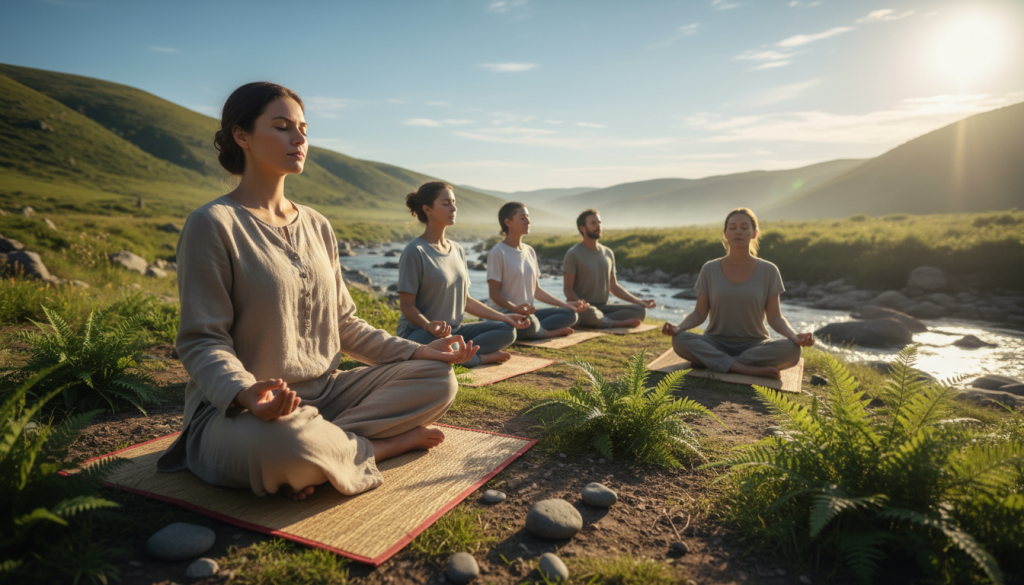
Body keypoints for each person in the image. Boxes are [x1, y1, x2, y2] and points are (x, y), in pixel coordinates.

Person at [158, 82, 478, 501]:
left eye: (303, 128)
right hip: (240, 414)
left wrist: (419, 352)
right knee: (287, 443)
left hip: (327, 397)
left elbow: (345, 323)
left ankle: (324, 450)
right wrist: (244, 391)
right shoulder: (213, 224)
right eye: (281, 126)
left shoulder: (317, 225)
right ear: (242, 136)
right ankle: (377, 447)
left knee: (439, 379)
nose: (299, 138)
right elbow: (202, 340)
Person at [661, 208, 813, 379]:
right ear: (725, 234)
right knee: (680, 340)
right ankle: (745, 368)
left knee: (792, 350)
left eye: (744, 227)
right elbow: (699, 313)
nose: (738, 231)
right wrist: (678, 328)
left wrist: (794, 336)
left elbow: (775, 317)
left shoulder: (769, 271)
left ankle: (713, 362)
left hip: (755, 344)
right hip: (714, 342)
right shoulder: (709, 269)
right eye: (732, 227)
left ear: (754, 233)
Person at [397, 182, 530, 367]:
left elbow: (465, 300)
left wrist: (506, 317)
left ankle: (457, 355)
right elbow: (407, 305)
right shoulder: (415, 251)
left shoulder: (457, 249)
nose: (453, 208)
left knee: (507, 330)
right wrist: (428, 325)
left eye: (454, 202)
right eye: (446, 203)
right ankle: (478, 358)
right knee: (442, 344)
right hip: (418, 333)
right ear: (427, 209)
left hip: (455, 331)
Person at [487, 202, 588, 339]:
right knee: (528, 321)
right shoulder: (498, 252)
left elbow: (536, 290)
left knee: (570, 315)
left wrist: (565, 304)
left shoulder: (530, 251)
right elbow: (494, 293)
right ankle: (545, 333)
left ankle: (531, 331)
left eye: (528, 217)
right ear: (508, 222)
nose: (528, 221)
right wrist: (515, 309)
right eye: (522, 218)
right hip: (505, 314)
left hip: (526, 315)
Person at [563, 209, 656, 328]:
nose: (598, 226)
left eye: (599, 222)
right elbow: (568, 289)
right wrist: (582, 306)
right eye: (593, 223)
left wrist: (639, 301)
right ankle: (614, 323)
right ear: (582, 228)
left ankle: (599, 321)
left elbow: (614, 286)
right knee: (590, 313)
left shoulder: (608, 253)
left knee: (640, 311)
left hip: (603, 308)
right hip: (583, 308)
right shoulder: (573, 254)